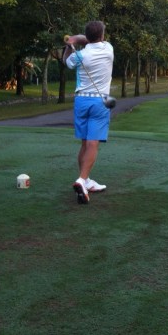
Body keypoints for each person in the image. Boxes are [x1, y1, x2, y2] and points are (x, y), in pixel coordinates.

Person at [63, 20, 114, 204]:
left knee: (85, 143)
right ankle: (82, 180)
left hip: (81, 101)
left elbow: (66, 62)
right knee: (93, 143)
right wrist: (76, 39)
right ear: (102, 35)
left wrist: (70, 44)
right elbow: (90, 40)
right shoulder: (108, 49)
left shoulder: (80, 55)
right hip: (99, 102)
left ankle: (86, 180)